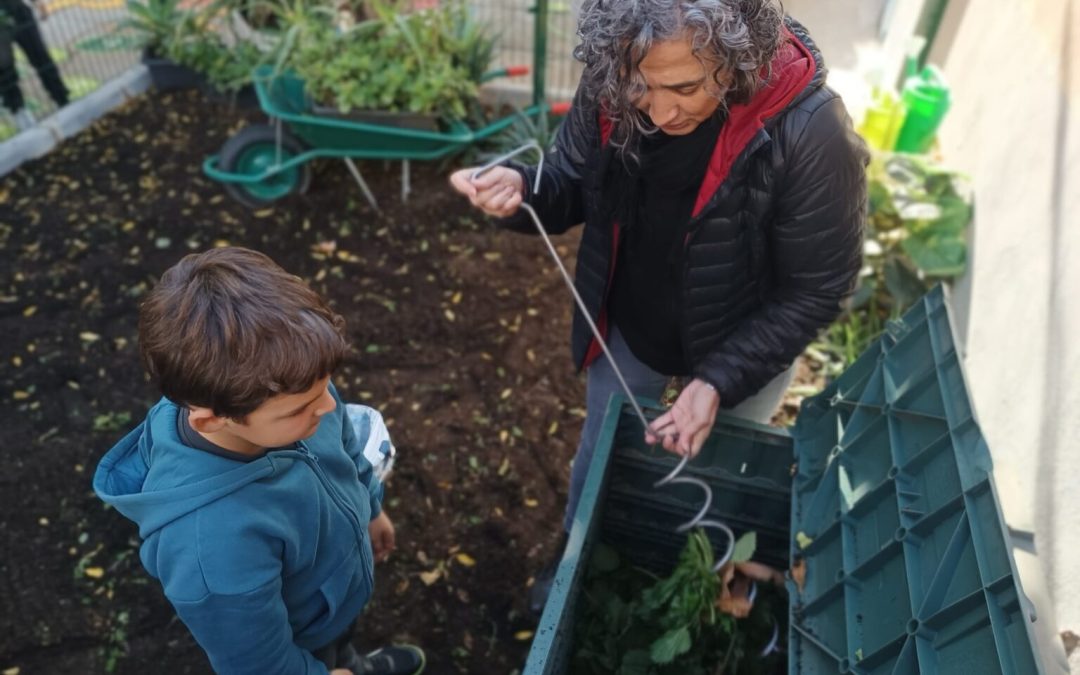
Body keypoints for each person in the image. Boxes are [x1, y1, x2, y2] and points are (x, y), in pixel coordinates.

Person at [450, 0, 867, 612]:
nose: (661, 111)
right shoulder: (615, 75)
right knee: (602, 452)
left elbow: (818, 287)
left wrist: (720, 379)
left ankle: (702, 576)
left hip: (741, 344)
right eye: (641, 88)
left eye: (686, 87)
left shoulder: (810, 130)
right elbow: (570, 176)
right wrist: (524, 189)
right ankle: (575, 557)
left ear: (739, 59)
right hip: (634, 325)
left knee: (715, 465)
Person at [93, 247, 425, 675]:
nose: (327, 405)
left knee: (344, 647)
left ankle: (355, 665)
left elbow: (344, 446)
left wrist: (371, 508)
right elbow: (256, 663)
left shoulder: (293, 385)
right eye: (299, 408)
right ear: (211, 421)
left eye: (326, 388)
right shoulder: (209, 544)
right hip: (304, 641)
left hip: (335, 601)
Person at [0, 0, 69, 130]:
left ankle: (61, 98)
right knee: (4, 69)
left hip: (17, 11)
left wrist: (38, 3)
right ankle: (18, 110)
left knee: (40, 56)